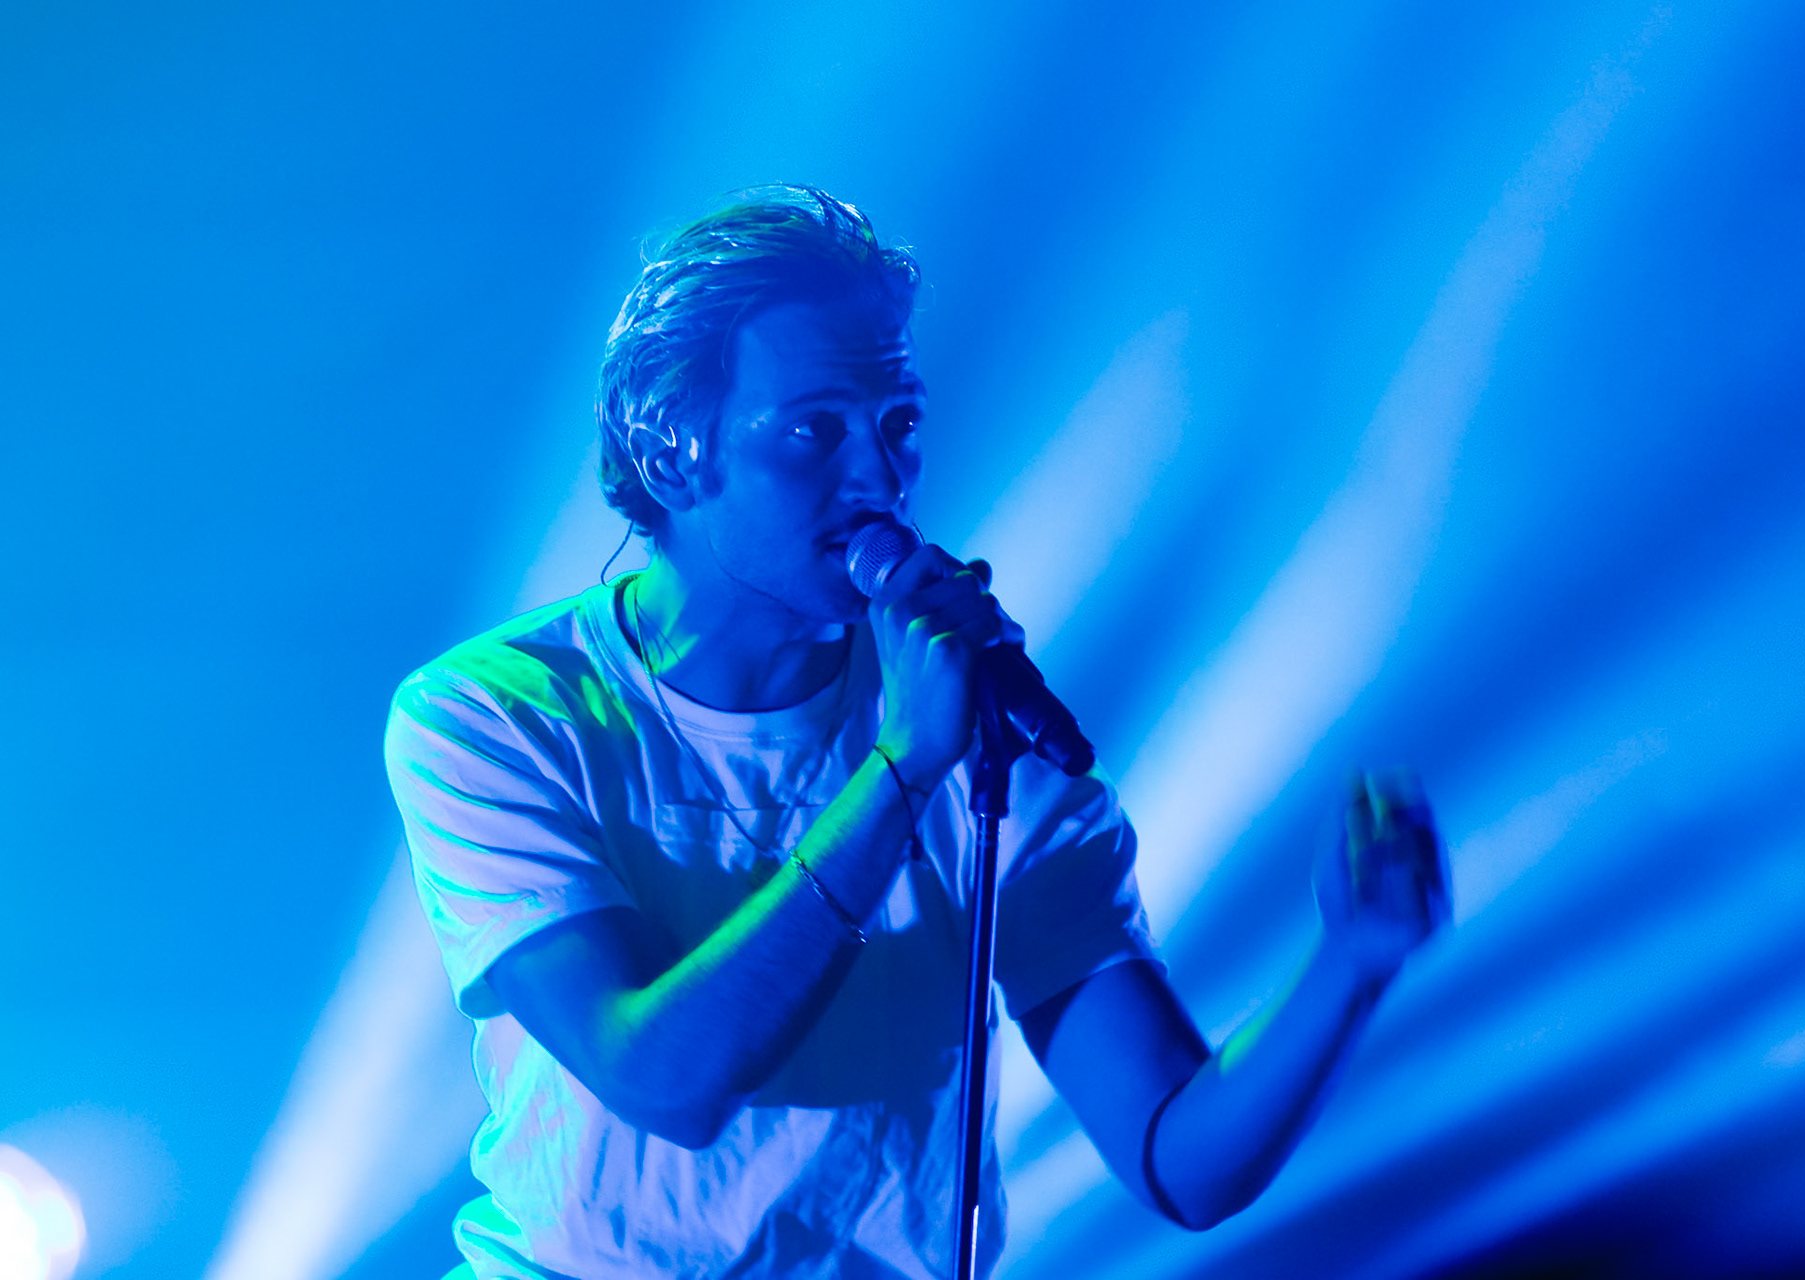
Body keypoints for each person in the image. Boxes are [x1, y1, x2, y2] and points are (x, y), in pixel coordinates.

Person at [384, 185, 1450, 1280]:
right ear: (674, 452)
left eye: (898, 427)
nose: (879, 479)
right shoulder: (497, 712)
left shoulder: (984, 742)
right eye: (814, 430)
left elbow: (1178, 1156)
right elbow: (664, 1078)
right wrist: (900, 771)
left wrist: (1352, 964)